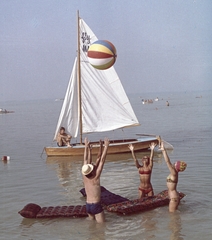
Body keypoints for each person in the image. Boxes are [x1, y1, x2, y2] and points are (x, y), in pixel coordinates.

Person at [81, 137, 110, 223]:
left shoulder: (84, 175)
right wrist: (106, 147)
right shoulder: (96, 177)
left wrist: (86, 147)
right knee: (101, 230)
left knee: (92, 227)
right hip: (96, 205)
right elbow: (102, 160)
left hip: (88, 205)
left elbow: (85, 160)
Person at [160, 141, 187, 212]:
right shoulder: (174, 173)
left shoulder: (174, 173)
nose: (173, 163)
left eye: (175, 163)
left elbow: (167, 162)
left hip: (173, 198)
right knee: (174, 216)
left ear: (176, 167)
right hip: (173, 197)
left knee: (173, 217)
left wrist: (163, 150)